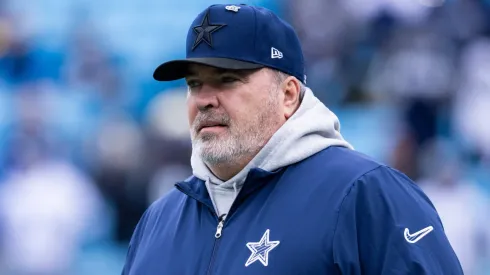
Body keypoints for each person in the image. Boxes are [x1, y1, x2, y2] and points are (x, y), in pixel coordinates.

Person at [122, 4, 463, 274]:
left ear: (287, 96)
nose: (204, 99)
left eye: (226, 79)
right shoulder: (159, 220)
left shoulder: (364, 195)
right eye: (194, 84)